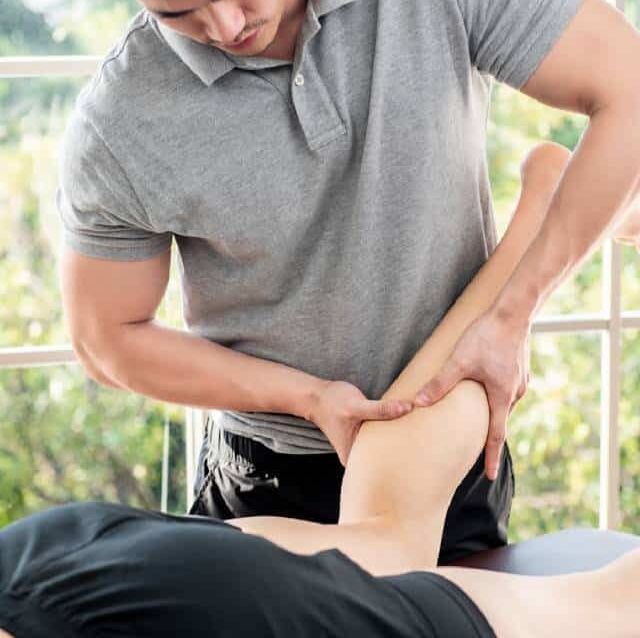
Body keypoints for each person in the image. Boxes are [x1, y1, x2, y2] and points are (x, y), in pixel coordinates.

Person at [55, 0, 640, 568]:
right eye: (178, 14)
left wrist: (512, 316)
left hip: (448, 453)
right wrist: (307, 398)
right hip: (267, 472)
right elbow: (107, 339)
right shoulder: (119, 119)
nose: (226, 26)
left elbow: (628, 87)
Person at [3, 141, 640, 637]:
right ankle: (544, 210)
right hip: (59, 561)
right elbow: (106, 340)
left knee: (397, 547)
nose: (226, 26)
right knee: (388, 541)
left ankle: (545, 214)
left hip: (105, 603)